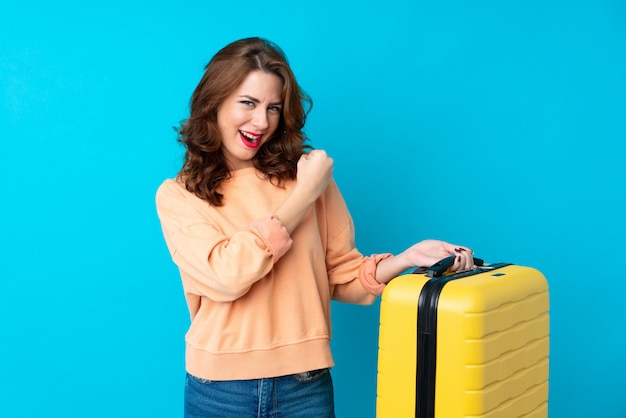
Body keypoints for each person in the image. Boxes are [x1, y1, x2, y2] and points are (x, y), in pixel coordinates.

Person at [155, 37, 474, 418]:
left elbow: (341, 275)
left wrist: (407, 258)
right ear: (214, 102)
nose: (262, 122)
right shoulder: (179, 195)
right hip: (219, 391)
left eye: (273, 108)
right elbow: (227, 276)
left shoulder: (309, 178)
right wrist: (302, 196)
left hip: (304, 388)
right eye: (248, 103)